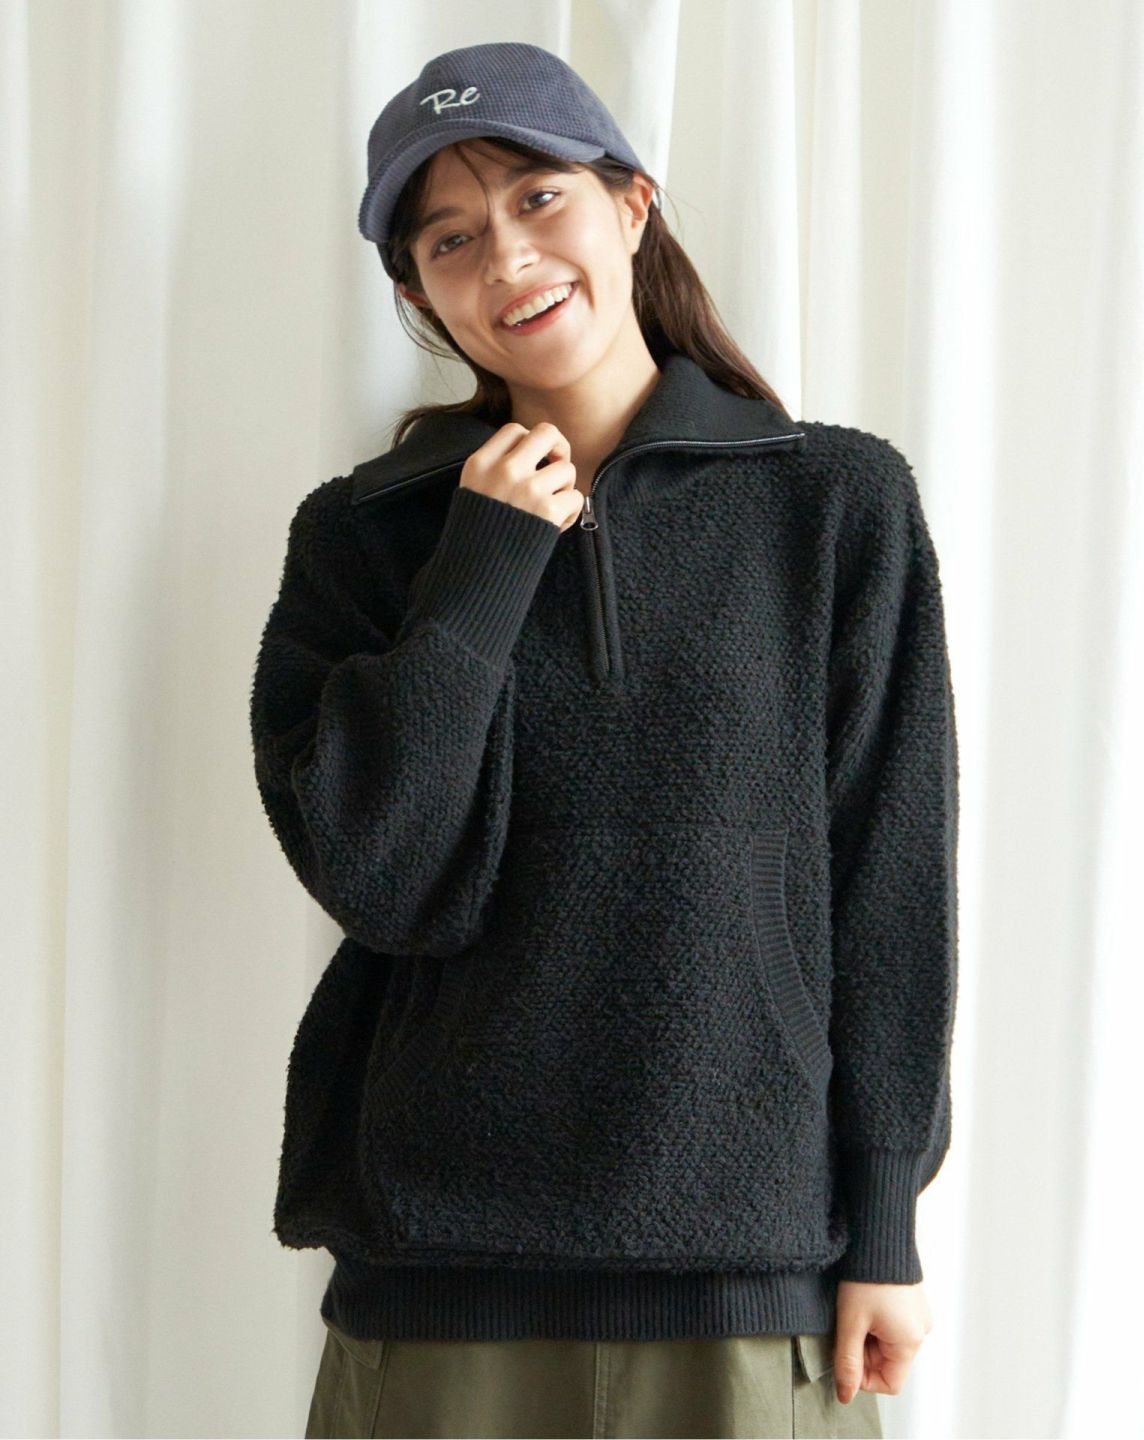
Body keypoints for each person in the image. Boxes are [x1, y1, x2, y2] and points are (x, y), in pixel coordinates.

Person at [249, 39, 958, 1440]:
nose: (506, 256)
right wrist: (483, 564)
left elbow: (892, 882)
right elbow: (374, 875)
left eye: (538, 198)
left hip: (752, 1274)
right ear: (419, 295)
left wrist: (885, 1222)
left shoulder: (834, 504)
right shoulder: (367, 536)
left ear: (632, 203)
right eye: (451, 237)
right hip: (442, 1276)